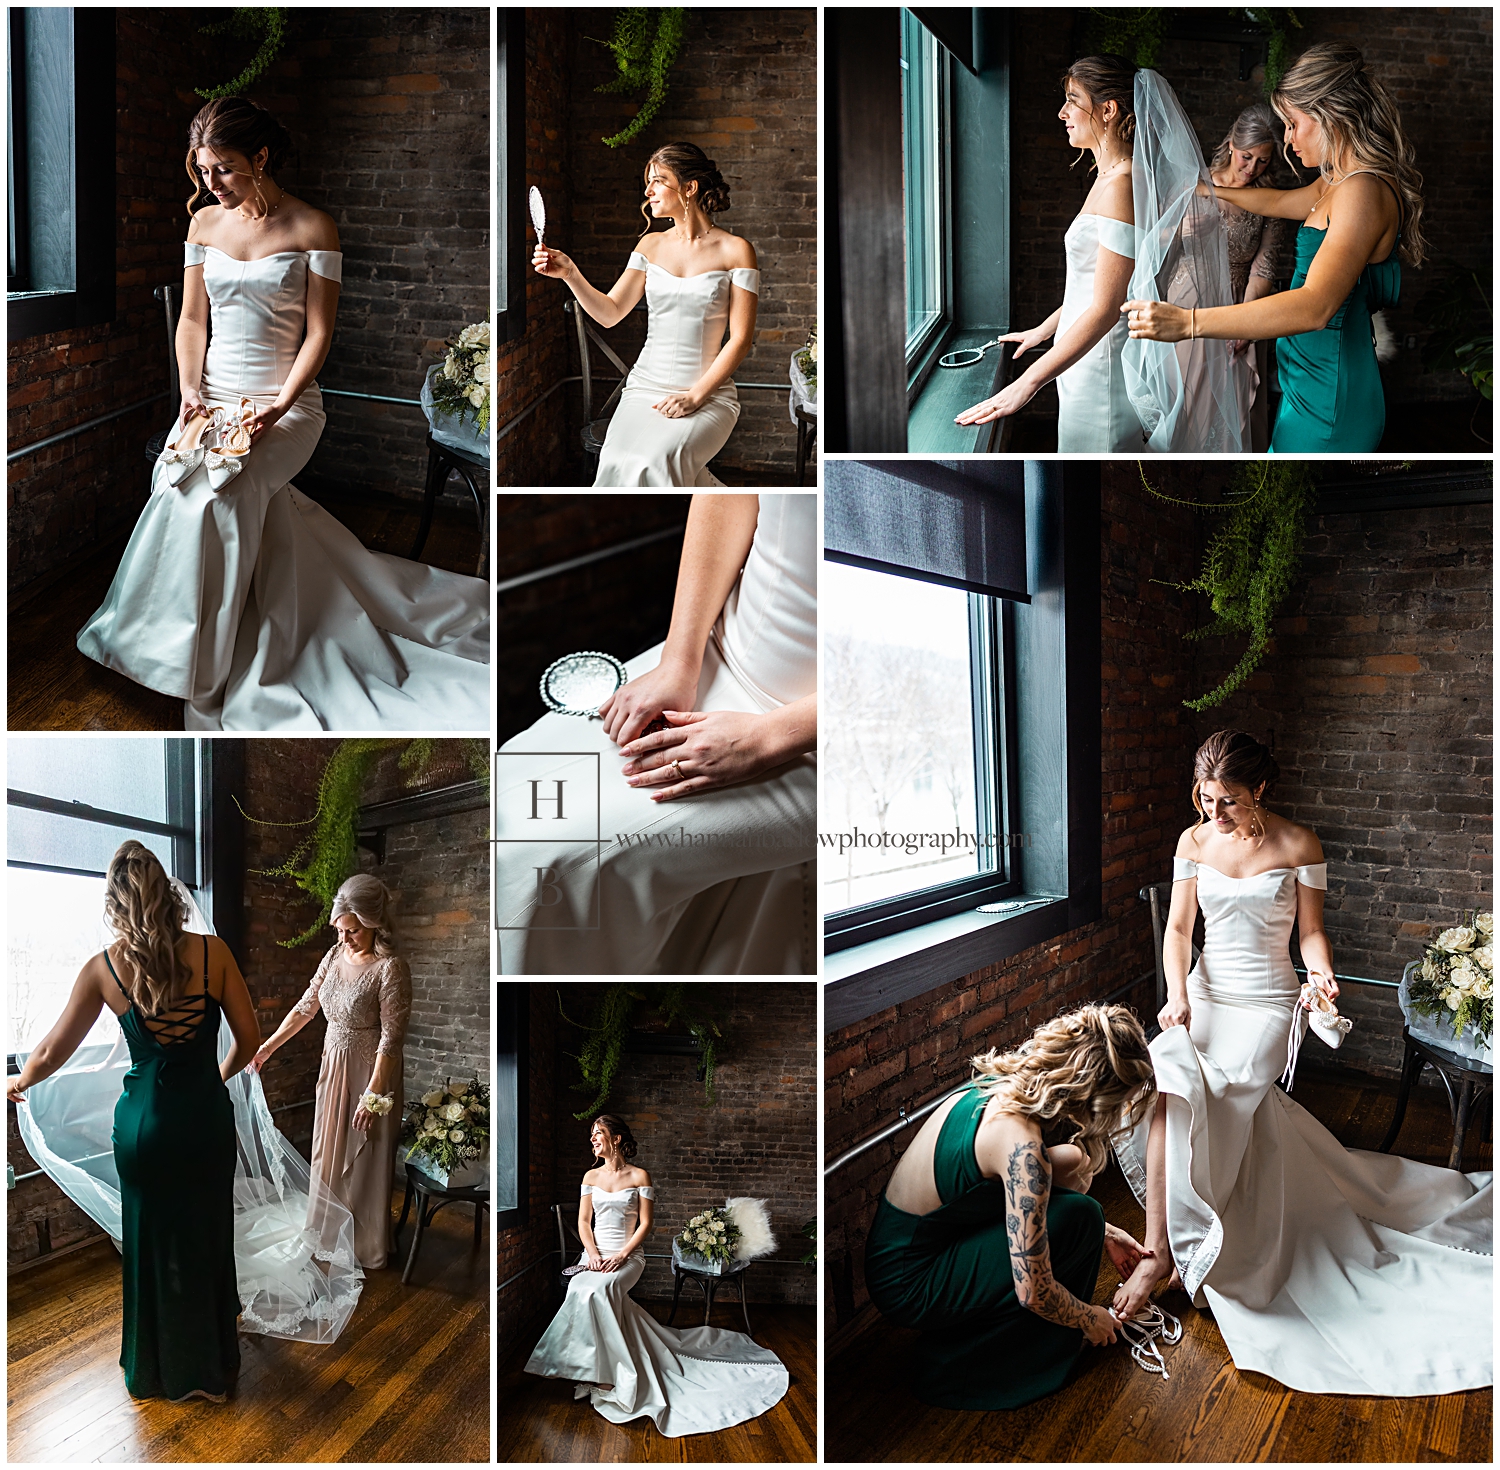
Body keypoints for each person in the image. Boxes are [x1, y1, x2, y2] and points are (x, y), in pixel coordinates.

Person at [75, 96, 489, 729]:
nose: (211, 184)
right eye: (203, 170)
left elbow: (319, 335)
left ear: (261, 158)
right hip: (209, 398)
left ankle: (199, 666)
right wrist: (189, 391)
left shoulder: (312, 228)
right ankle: (148, 646)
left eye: (224, 169)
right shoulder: (204, 227)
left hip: (286, 404)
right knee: (175, 487)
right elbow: (191, 320)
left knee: (224, 493)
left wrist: (278, 405)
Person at [1112, 731, 1492, 1396]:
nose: (1215, 814)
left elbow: (1311, 932)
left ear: (1261, 789)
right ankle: (1164, 1248)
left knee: (1225, 1093)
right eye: (1205, 799)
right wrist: (1176, 997)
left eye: (1228, 800)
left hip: (1264, 1002)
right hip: (1203, 993)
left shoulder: (1298, 844)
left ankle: (1179, 1250)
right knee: (1170, 1073)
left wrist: (1321, 976)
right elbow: (1178, 931)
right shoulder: (1193, 842)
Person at [498, 493, 816, 974]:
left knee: (547, 866)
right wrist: (679, 661)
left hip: (811, 737)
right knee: (510, 772)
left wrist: (769, 737)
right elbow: (731, 499)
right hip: (713, 647)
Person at [6, 841, 261, 1402]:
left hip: (145, 1128)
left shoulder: (102, 968)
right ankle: (213, 1373)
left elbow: (49, 1052)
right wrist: (211, 1079)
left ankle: (155, 1371)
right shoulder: (215, 954)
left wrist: (17, 1082)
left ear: (116, 904)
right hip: (204, 1119)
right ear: (168, 893)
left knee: (150, 1242)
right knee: (207, 1233)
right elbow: (249, 1039)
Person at [1124, 43, 1424, 452]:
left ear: (1330, 116)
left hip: (1330, 394)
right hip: (1305, 380)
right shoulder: (1337, 181)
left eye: (1294, 124)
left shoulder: (1362, 191)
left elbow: (1315, 306)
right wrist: (1210, 190)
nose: (1287, 139)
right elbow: (1278, 202)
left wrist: (1189, 323)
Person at [863, 1005, 1157, 1410]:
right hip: (906, 1281)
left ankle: (984, 1333)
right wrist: (1091, 1319)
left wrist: (1108, 1232)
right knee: (1080, 1216)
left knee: (1085, 1210)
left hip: (916, 1245)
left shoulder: (1008, 1080)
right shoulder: (1022, 1150)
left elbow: (1003, 1203)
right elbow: (1033, 1291)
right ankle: (967, 1366)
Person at [524, 1114, 788, 1436]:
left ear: (616, 1138)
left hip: (629, 1256)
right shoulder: (590, 1176)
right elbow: (583, 1222)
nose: (592, 1139)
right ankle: (588, 1370)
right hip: (593, 1255)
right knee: (579, 1289)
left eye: (598, 1134)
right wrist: (592, 1255)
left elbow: (646, 1224)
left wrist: (622, 1255)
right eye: (591, 1135)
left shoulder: (639, 1175)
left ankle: (605, 1376)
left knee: (600, 1292)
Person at [531, 142, 759, 485]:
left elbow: (740, 339)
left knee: (654, 463)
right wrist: (570, 274)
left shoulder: (736, 250)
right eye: (647, 182)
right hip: (645, 389)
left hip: (706, 393)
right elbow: (610, 313)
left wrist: (695, 397)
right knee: (617, 462)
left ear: (689, 187)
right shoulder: (649, 245)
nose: (647, 190)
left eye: (658, 181)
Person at [956, 56, 1147, 451]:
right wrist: (1045, 329)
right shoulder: (1109, 178)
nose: (1062, 113)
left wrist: (1027, 384)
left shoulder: (1120, 186)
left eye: (1072, 100)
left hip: (1099, 366)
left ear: (1107, 110)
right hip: (1078, 358)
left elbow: (1109, 306)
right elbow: (1096, 282)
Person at [250, 874, 411, 1269]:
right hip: (332, 1064)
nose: (344, 939)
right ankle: (324, 1231)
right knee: (327, 1150)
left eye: (352, 931)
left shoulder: (391, 969)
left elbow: (391, 1040)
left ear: (375, 923)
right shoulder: (333, 956)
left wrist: (373, 1097)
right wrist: (267, 1048)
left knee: (365, 1157)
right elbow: (306, 1006)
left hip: (371, 1071)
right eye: (340, 930)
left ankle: (364, 1243)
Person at [1209, 102, 1297, 450]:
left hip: (1244, 300)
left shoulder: (1268, 198)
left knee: (1238, 401)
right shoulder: (1195, 184)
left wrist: (1245, 324)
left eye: (1263, 160)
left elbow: (1264, 265)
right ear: (1231, 143)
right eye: (1246, 156)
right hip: (1189, 299)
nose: (1252, 168)